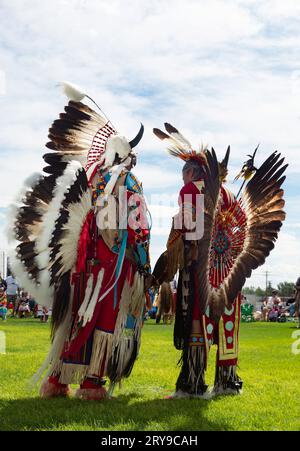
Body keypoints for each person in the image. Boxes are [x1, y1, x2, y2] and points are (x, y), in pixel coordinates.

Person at [8, 84, 151, 401]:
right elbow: (139, 227)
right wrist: (144, 264)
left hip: (83, 263)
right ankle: (91, 384)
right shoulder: (128, 183)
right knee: (103, 318)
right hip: (112, 264)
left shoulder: (94, 176)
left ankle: (56, 380)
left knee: (75, 315)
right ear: (126, 156)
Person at [152, 123, 287, 398]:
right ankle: (226, 383)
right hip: (226, 271)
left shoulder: (191, 190)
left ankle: (192, 385)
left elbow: (186, 228)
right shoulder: (226, 194)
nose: (182, 179)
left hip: (198, 267)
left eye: (183, 173)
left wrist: (174, 248)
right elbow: (241, 223)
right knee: (227, 319)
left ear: (192, 172)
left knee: (197, 321)